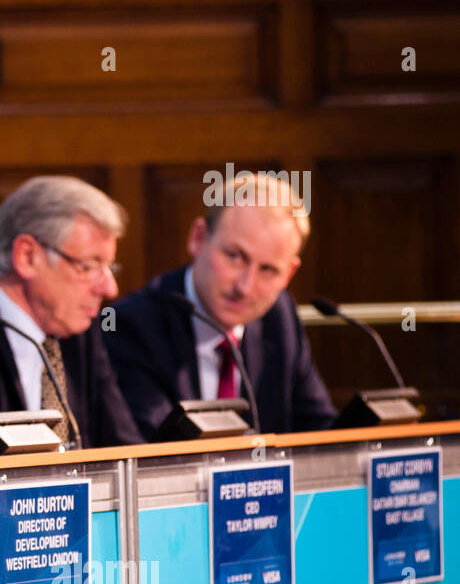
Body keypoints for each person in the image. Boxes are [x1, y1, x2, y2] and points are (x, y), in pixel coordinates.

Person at [0, 176, 142, 453]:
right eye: (90, 266)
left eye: (109, 268)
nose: (110, 288)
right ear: (27, 256)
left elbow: (124, 449)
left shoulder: (77, 329)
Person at [103, 171, 336, 438]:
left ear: (289, 275)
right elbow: (155, 452)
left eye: (268, 270)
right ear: (198, 238)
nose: (245, 287)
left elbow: (319, 430)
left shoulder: (279, 317)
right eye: (235, 257)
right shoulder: (132, 325)